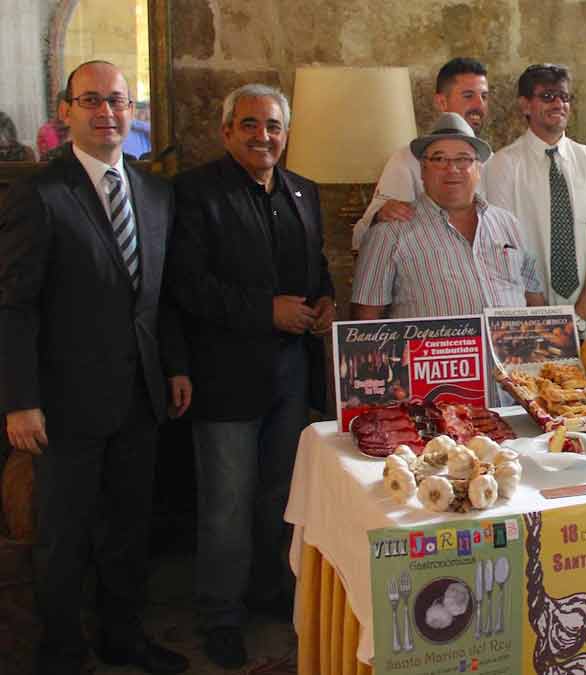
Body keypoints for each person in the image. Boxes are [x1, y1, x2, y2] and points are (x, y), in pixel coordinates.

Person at [0, 60, 189, 674]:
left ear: (132, 111)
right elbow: (15, 306)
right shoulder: (39, 192)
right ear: (66, 111)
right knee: (63, 538)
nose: (106, 113)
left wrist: (176, 368)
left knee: (129, 532)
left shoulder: (156, 192)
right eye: (91, 101)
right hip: (63, 403)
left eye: (117, 101)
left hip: (140, 395)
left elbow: (161, 296)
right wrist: (19, 400)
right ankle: (59, 654)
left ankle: (122, 640)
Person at [164, 83, 336, 668]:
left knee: (279, 495)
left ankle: (269, 592)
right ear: (226, 130)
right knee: (225, 504)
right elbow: (187, 286)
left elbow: (316, 266)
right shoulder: (193, 193)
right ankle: (220, 614)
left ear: (286, 134)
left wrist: (327, 299)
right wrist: (267, 310)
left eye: (273, 126)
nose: (263, 136)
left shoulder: (301, 191)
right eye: (250, 125)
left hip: (289, 374)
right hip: (225, 376)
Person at [351, 112, 546, 319]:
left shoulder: (508, 224)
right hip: (428, 352)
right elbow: (364, 324)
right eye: (439, 159)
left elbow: (535, 300)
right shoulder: (389, 233)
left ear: (478, 169)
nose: (452, 169)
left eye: (463, 159)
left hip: (512, 351)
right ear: (422, 171)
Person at [482, 63, 586, 338]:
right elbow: (504, 248)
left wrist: (579, 316)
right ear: (525, 105)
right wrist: (543, 319)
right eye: (547, 96)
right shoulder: (502, 164)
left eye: (565, 97)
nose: (558, 103)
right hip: (527, 317)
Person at [352, 57, 491, 252]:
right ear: (442, 102)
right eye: (468, 96)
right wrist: (380, 216)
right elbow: (361, 239)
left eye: (484, 96)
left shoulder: (494, 163)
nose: (479, 105)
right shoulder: (405, 161)